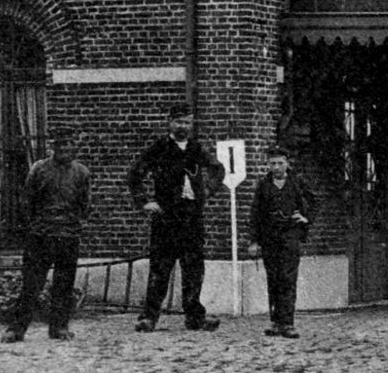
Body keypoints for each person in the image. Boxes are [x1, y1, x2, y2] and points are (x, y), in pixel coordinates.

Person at [127, 103, 224, 332]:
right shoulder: (159, 148)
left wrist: (206, 191)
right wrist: (144, 201)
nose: (183, 126)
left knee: (194, 268)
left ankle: (195, 317)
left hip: (191, 216)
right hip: (166, 216)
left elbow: (217, 169)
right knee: (161, 267)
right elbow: (135, 174)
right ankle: (149, 317)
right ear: (170, 123)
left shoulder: (196, 149)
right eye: (179, 122)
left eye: (187, 122)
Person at [2, 134, 90, 343]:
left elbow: (85, 203)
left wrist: (75, 224)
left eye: (69, 145)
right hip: (41, 235)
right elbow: (27, 200)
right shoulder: (39, 169)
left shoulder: (82, 172)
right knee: (31, 284)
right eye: (61, 145)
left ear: (74, 148)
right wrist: (36, 225)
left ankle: (59, 327)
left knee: (64, 284)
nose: (65, 149)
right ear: (53, 147)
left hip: (67, 234)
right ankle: (16, 329)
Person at [247, 149, 311, 339]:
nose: (276, 167)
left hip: (290, 236)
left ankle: (288, 323)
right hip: (270, 238)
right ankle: (275, 322)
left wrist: (305, 218)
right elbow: (255, 213)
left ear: (287, 164)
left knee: (288, 279)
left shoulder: (297, 182)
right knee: (273, 279)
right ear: (268, 165)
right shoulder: (263, 185)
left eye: (280, 163)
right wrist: (254, 241)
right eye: (273, 163)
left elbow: (314, 200)